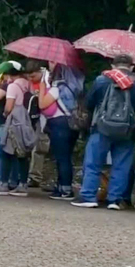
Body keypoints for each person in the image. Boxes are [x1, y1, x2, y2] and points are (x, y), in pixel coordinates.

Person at [73, 54, 135, 210]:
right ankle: (114, 200)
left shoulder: (102, 80)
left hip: (101, 127)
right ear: (131, 67)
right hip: (127, 130)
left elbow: (89, 103)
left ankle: (88, 196)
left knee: (93, 162)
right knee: (121, 165)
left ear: (113, 65)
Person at [0, 62, 35, 197]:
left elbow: (8, 107)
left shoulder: (13, 86)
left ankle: (2, 183)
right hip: (26, 123)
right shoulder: (27, 84)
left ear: (9, 75)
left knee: (4, 151)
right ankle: (21, 184)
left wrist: (5, 114)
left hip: (14, 123)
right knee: (21, 154)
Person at [39, 62, 84, 200]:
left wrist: (42, 87)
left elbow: (42, 104)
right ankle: (62, 186)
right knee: (66, 156)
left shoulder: (58, 88)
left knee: (61, 158)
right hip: (72, 124)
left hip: (59, 123)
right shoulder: (75, 89)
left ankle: (65, 189)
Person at [25, 62, 51, 188]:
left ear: (40, 72)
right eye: (29, 77)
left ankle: (35, 176)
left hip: (45, 117)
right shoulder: (29, 81)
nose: (31, 79)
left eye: (34, 76)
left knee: (40, 147)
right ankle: (31, 175)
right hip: (32, 116)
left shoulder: (48, 79)